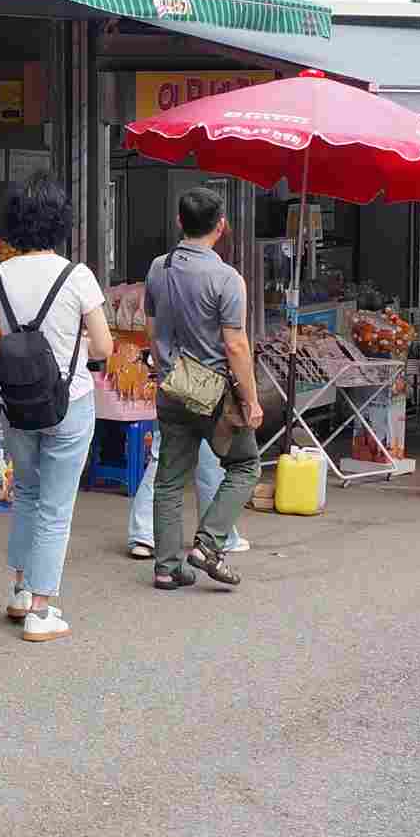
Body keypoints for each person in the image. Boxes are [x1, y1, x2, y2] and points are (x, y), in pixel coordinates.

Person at [0, 179, 112, 644]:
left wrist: (20, 353)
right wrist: (66, 349)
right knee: (56, 507)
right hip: (70, 401)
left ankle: (22, 590)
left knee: (26, 493)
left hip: (16, 402)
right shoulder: (77, 276)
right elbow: (104, 346)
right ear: (60, 224)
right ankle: (41, 610)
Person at [145, 186, 256, 591]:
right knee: (245, 465)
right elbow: (236, 345)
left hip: (172, 388)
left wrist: (164, 371)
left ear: (179, 221)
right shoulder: (227, 278)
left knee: (170, 480)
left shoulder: (160, 267)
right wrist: (252, 399)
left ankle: (167, 568)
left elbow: (153, 328)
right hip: (215, 396)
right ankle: (208, 544)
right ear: (221, 226)